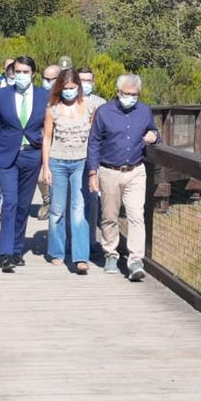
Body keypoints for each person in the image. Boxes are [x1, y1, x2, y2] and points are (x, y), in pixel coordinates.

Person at [87, 74, 160, 280]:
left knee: (136, 216)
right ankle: (111, 252)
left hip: (136, 171)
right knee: (109, 215)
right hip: (109, 170)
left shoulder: (144, 111)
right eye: (127, 94)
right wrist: (93, 172)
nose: (130, 97)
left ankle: (135, 259)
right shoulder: (104, 112)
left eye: (134, 94)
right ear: (118, 93)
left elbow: (154, 132)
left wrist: (154, 136)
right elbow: (94, 143)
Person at [0, 56, 47, 273]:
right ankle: (5, 253)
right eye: (18, 71)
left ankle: (18, 249)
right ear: (12, 73)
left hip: (32, 154)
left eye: (26, 72)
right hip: (7, 155)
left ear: (33, 74)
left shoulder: (43, 96)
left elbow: (49, 127)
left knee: (23, 205)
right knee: (9, 201)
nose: (21, 76)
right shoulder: (1, 95)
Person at [39, 69, 96, 274]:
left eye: (73, 88)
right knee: (57, 208)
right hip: (58, 161)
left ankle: (81, 256)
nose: (69, 92)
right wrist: (46, 166)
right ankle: (56, 251)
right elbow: (46, 137)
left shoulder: (89, 107)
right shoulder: (52, 108)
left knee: (79, 209)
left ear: (79, 88)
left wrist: (93, 168)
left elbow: (93, 138)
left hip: (81, 162)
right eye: (65, 88)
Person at [77, 67, 107, 257]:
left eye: (88, 80)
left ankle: (90, 241)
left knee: (92, 200)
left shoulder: (101, 104)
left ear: (93, 82)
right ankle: (72, 240)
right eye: (81, 80)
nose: (84, 84)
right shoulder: (69, 101)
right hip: (72, 156)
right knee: (73, 201)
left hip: (94, 158)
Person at [34, 63, 63, 220]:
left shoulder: (65, 97)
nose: (48, 82)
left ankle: (58, 206)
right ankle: (47, 200)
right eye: (45, 78)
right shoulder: (38, 96)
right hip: (42, 142)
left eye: (52, 79)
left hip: (62, 144)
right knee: (41, 178)